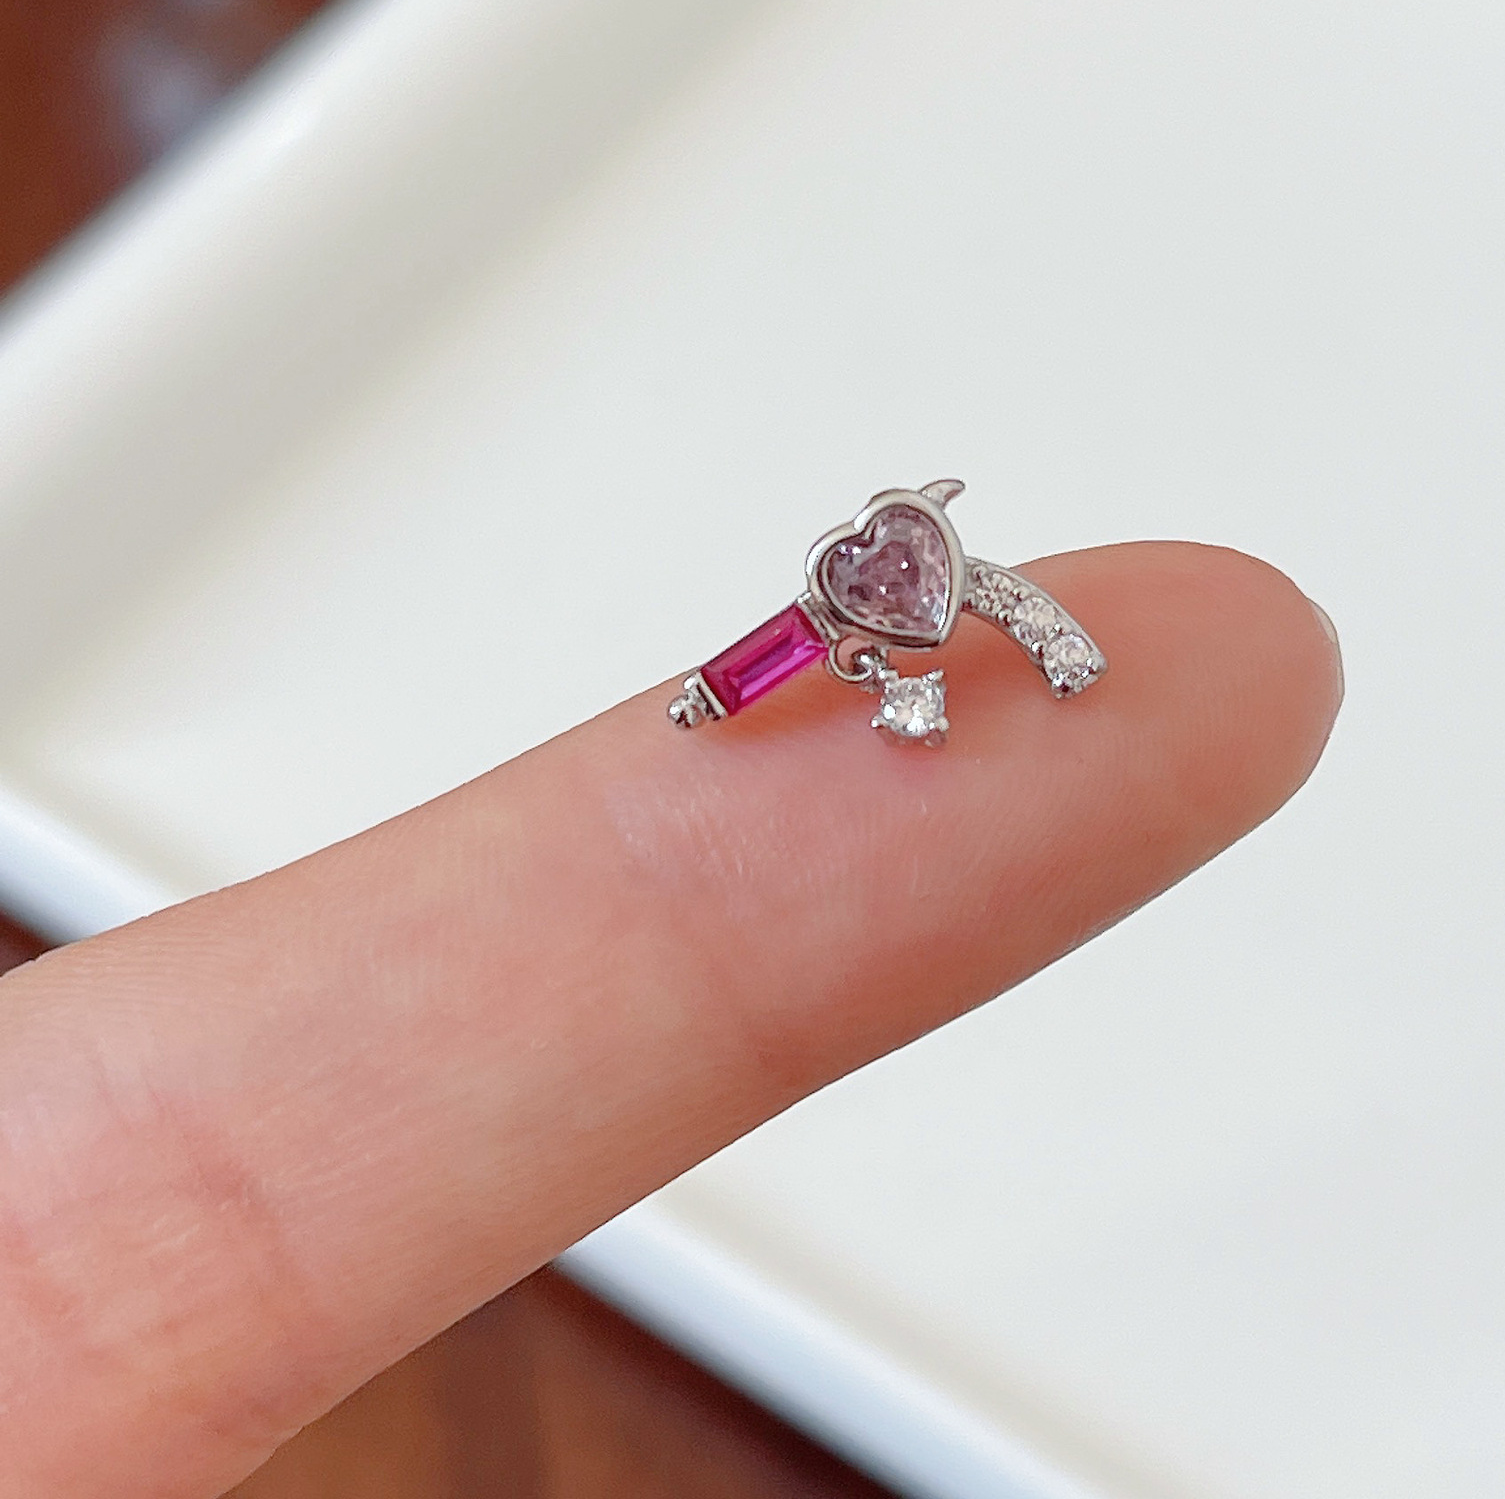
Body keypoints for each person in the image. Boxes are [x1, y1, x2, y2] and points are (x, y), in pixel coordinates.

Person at [0, 542, 1341, 1495]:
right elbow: (774, 656)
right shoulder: (828, 629)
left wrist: (1009, 654)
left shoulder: (887, 608)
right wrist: (719, 696)